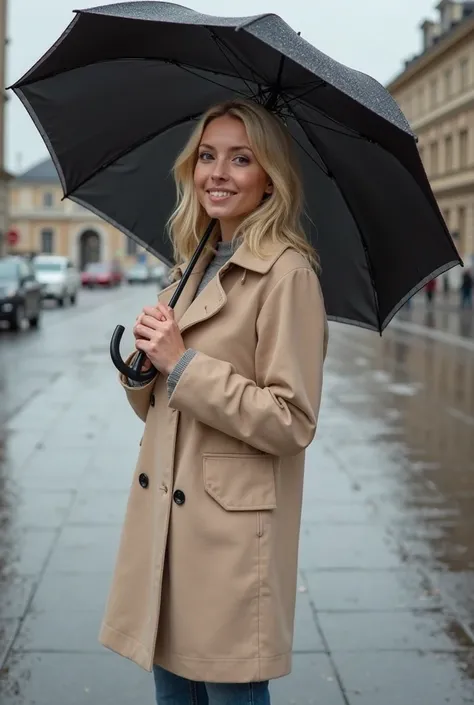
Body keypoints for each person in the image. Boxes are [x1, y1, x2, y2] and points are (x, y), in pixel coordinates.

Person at [99, 99, 328, 705]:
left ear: (269, 177)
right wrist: (143, 369)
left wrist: (185, 364)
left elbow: (291, 420)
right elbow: (159, 412)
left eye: (241, 158)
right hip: (168, 531)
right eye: (207, 156)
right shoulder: (188, 269)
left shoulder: (288, 274)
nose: (217, 173)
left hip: (229, 542)